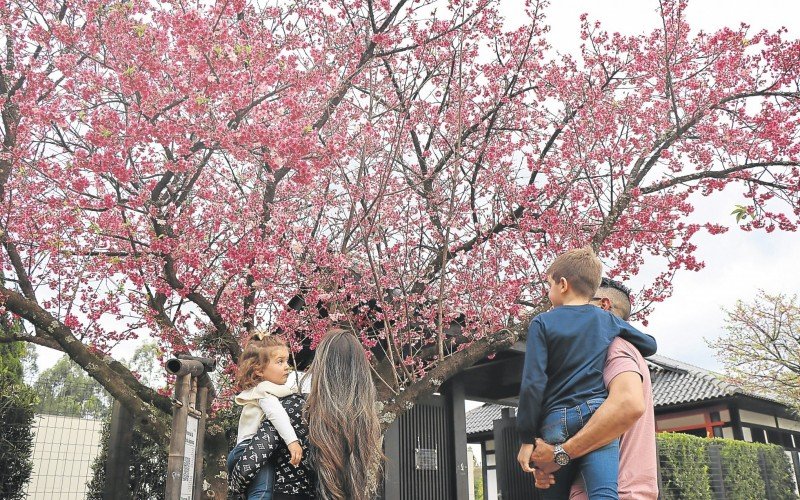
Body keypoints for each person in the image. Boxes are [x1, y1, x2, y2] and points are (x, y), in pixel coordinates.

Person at [516, 248, 657, 499]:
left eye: (548, 285)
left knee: (550, 487)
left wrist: (528, 438)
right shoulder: (606, 321)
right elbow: (650, 345)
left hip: (556, 419)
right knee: (604, 492)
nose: (548, 293)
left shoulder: (541, 323)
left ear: (562, 284)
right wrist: (617, 330)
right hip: (594, 412)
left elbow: (533, 384)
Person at [230, 328, 383, 500]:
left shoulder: (295, 407)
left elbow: (249, 464)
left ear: (321, 366)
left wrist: (236, 488)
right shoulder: (362, 422)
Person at [227, 333, 304, 500]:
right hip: (252, 451)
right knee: (262, 494)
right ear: (259, 370)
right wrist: (293, 442)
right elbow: (277, 415)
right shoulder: (265, 392)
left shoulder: (261, 390)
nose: (287, 367)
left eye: (287, 361)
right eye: (280, 362)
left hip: (241, 451)